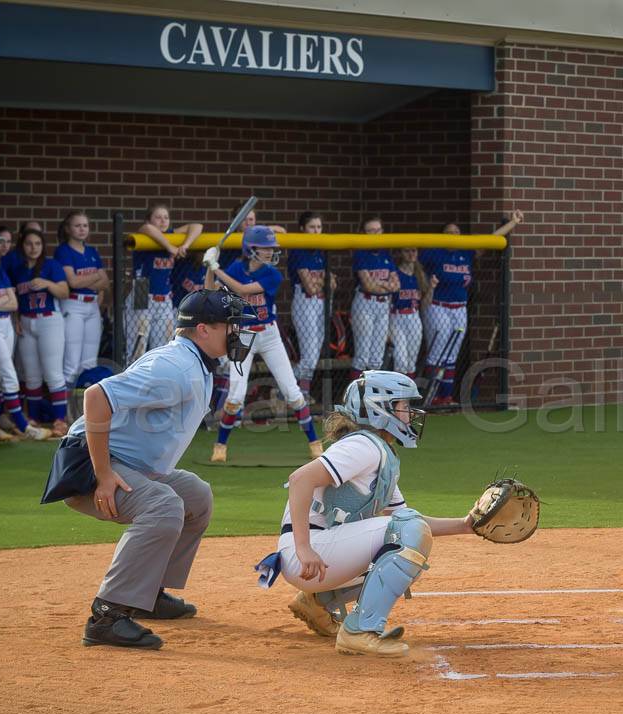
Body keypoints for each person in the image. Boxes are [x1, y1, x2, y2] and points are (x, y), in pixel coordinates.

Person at [55, 289, 254, 649]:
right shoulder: (174, 366)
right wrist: (102, 475)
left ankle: (146, 594)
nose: (238, 333)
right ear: (204, 330)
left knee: (196, 496)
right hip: (87, 464)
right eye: (231, 325)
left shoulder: (195, 360)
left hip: (126, 462)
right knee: (163, 505)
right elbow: (96, 397)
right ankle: (108, 615)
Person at [255, 370, 485, 658]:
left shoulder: (380, 453)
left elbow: (408, 519)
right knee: (407, 535)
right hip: (308, 553)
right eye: (403, 405)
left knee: (408, 538)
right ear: (380, 409)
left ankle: (316, 601)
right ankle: (359, 631)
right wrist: (303, 548)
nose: (411, 413)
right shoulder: (363, 445)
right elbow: (301, 479)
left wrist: (467, 525)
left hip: (319, 555)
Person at [205, 225, 321, 462]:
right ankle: (220, 446)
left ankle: (314, 443)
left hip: (269, 334)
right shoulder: (237, 268)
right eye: (265, 248)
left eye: (271, 248)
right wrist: (209, 267)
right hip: (242, 334)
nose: (270, 252)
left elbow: (244, 290)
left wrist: (218, 269)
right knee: (235, 395)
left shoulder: (272, 274)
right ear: (252, 248)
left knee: (292, 392)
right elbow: (210, 290)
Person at [420, 211, 523, 406]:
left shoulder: (465, 252)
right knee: (436, 353)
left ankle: (445, 397)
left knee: (451, 354)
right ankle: (430, 397)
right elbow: (416, 265)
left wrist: (513, 223)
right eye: (449, 232)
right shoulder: (434, 252)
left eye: (457, 232)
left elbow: (490, 240)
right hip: (437, 307)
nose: (453, 236)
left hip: (459, 309)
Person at [8, 228, 71, 435]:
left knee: (53, 373)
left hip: (49, 320)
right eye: (28, 244)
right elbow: (15, 299)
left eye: (37, 244)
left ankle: (60, 419)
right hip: (26, 321)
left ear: (43, 246)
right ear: (22, 246)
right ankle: (33, 417)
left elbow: (64, 292)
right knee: (31, 375)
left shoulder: (51, 266)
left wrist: (47, 283)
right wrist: (16, 319)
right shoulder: (18, 269)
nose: (33, 248)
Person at [0, 232, 51, 442]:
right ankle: (24, 425)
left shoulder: (0, 270)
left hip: (5, 322)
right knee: (8, 373)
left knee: (0, 377)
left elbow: (14, 303)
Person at [128, 203, 203, 363]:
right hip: (142, 292)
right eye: (158, 217)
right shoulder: (146, 234)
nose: (163, 221)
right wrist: (170, 247)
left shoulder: (171, 234)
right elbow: (146, 228)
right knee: (137, 348)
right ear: (149, 220)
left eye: (166, 217)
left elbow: (197, 226)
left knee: (164, 349)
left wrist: (185, 245)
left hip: (164, 297)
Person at [55, 211, 108, 389]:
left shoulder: (92, 251)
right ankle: (66, 408)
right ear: (68, 229)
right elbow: (73, 282)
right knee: (71, 361)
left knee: (89, 362)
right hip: (73, 304)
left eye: (85, 225)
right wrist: (95, 277)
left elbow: (105, 282)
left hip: (92, 305)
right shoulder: (63, 250)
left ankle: (84, 409)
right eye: (77, 225)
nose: (82, 229)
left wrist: (88, 281)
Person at [349, 216, 398, 380]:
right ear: (364, 234)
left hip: (383, 306)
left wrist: (378, 283)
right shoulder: (361, 254)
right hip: (365, 304)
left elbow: (396, 285)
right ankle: (356, 396)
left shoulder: (386, 254)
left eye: (378, 230)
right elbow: (368, 286)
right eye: (371, 231)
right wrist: (385, 284)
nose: (375, 234)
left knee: (377, 356)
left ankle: (372, 396)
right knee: (363, 354)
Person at [289, 211, 329, 398]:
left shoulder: (321, 249)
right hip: (305, 302)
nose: (316, 231)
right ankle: (292, 390)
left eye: (319, 227)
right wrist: (325, 280)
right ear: (302, 229)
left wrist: (323, 281)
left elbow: (330, 284)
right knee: (310, 354)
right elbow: (310, 287)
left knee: (313, 354)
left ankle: (300, 392)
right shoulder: (299, 249)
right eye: (312, 227)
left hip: (321, 304)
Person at [389, 247, 429, 379]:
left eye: (414, 251)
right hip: (397, 317)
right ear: (401, 253)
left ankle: (405, 399)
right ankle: (398, 397)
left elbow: (424, 303)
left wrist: (432, 288)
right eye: (407, 251)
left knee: (411, 361)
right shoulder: (395, 274)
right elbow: (388, 301)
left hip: (414, 317)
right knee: (400, 359)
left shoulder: (420, 275)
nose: (411, 254)